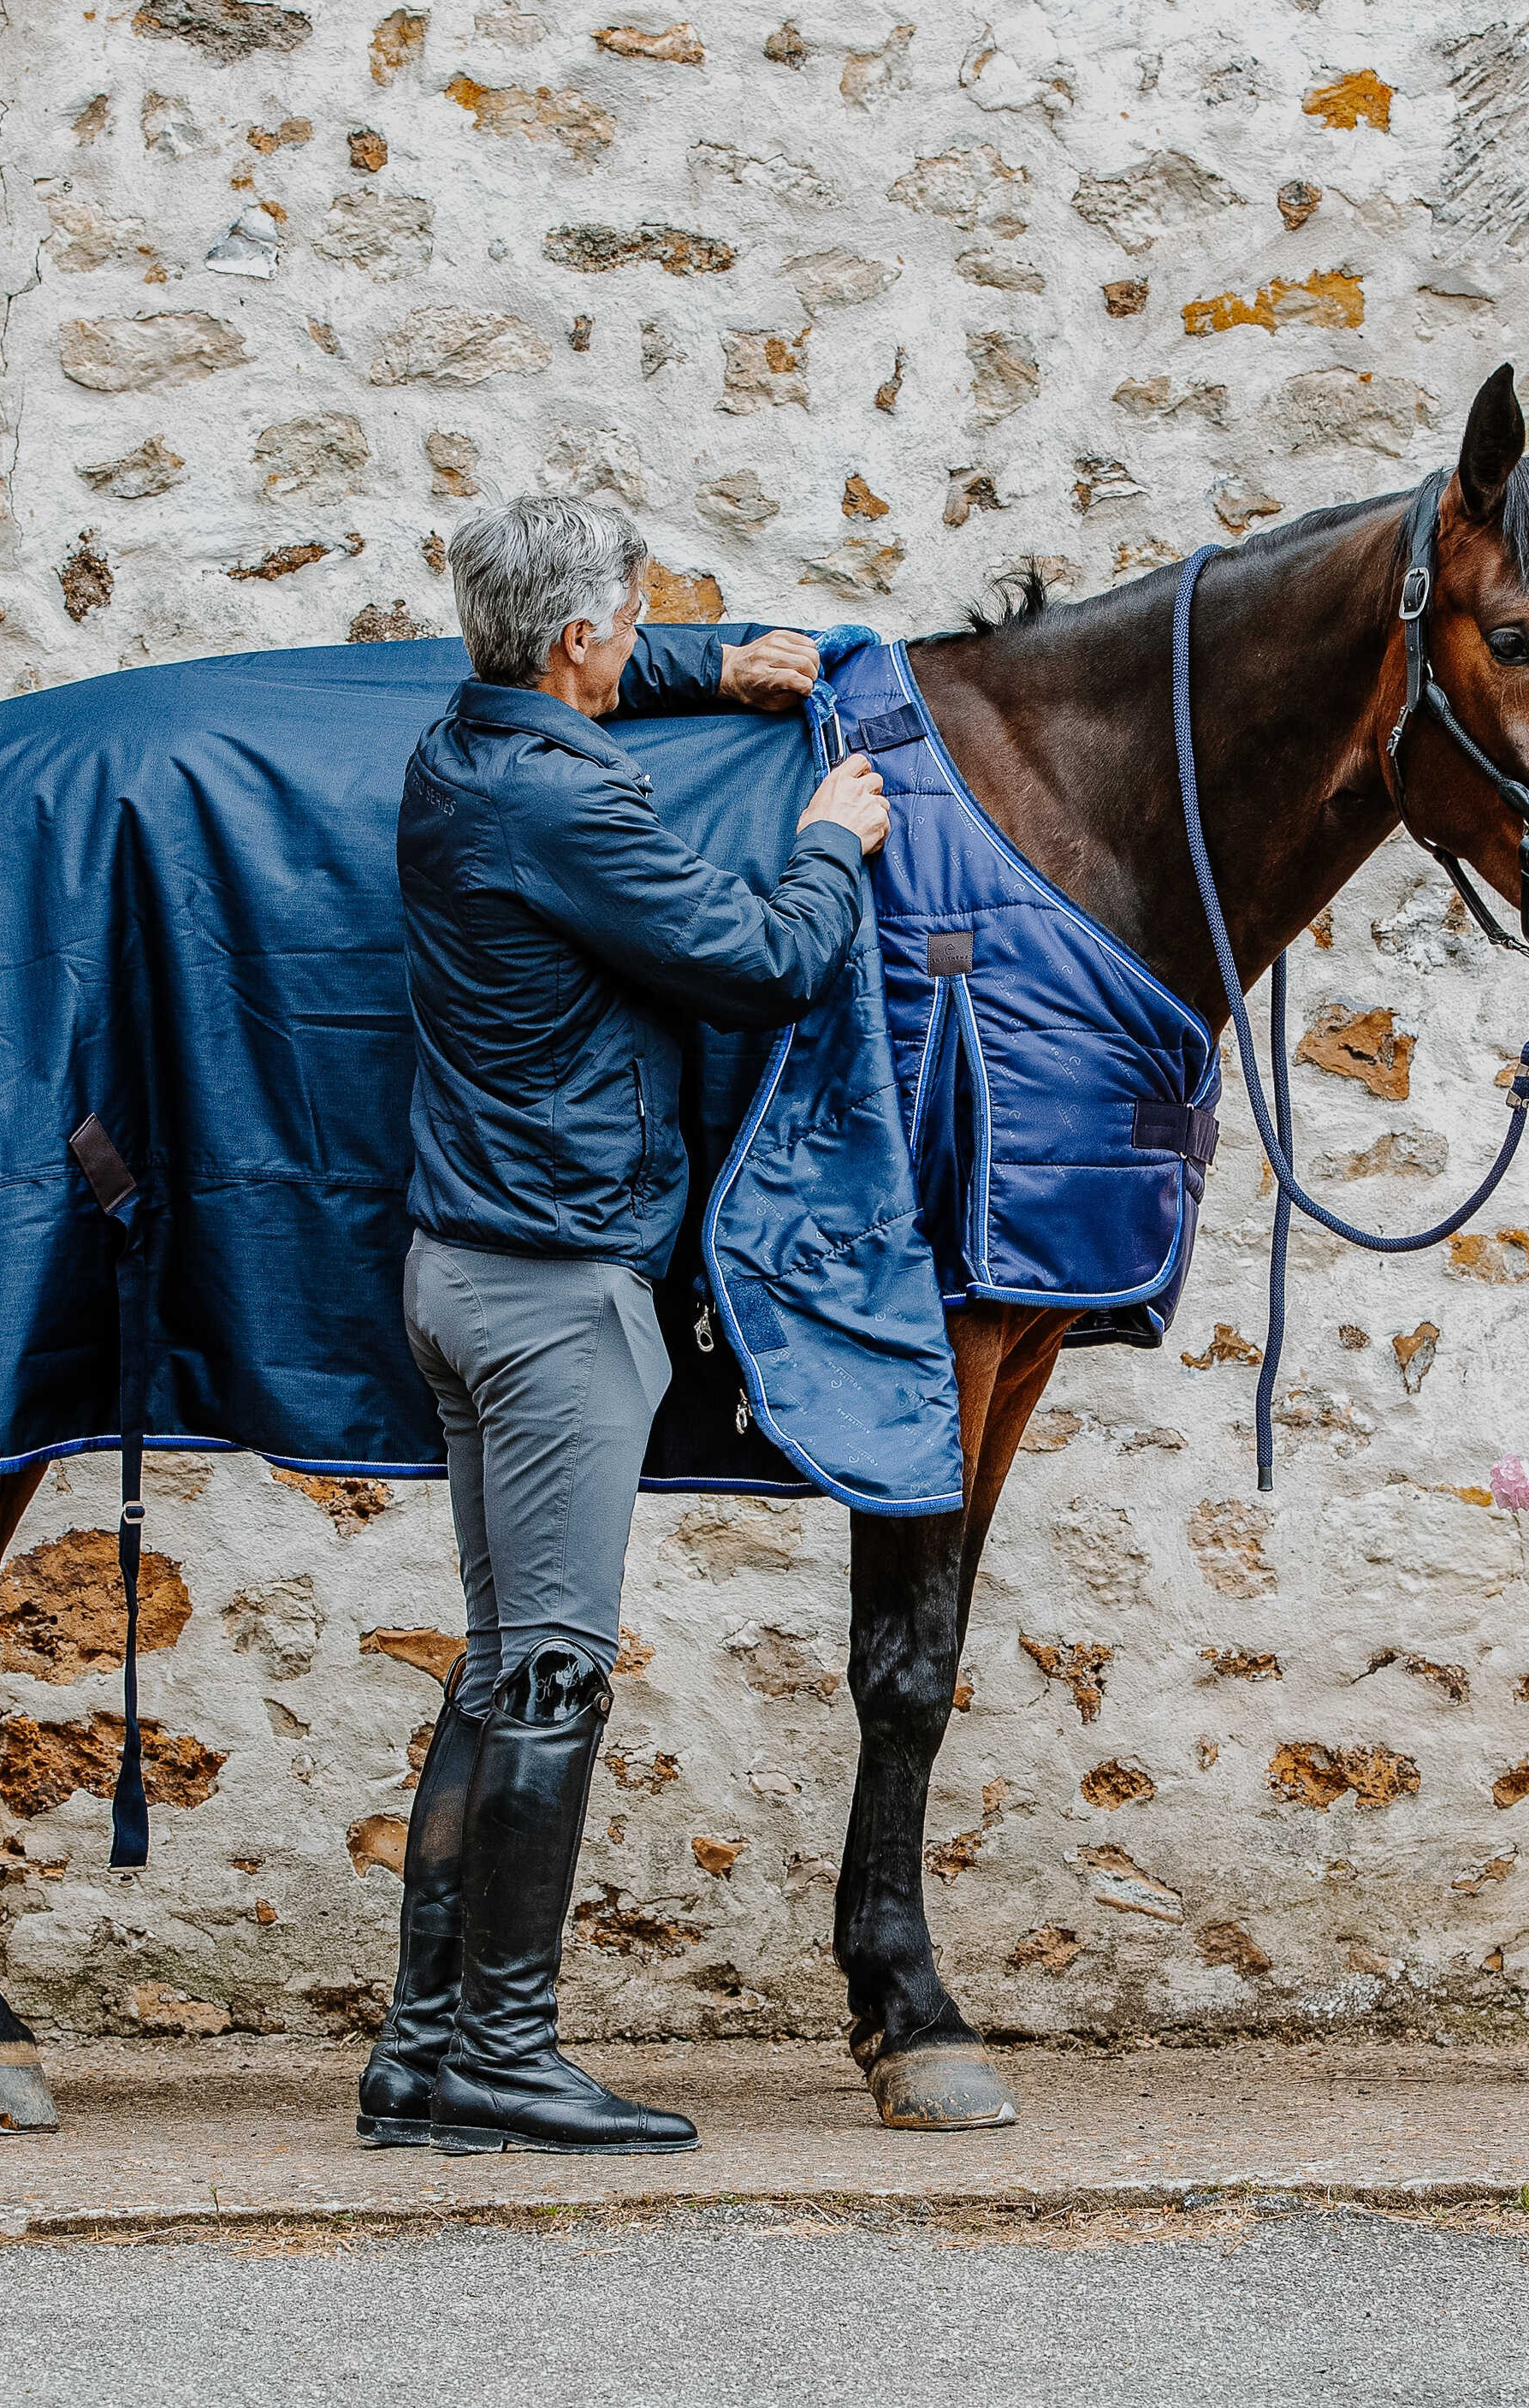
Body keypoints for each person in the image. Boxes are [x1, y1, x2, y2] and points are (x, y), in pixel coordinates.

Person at [360, 495, 890, 2156]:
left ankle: (419, 2060)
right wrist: (833, 837)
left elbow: (581, 656)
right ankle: (500, 2059)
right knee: (553, 1677)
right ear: (577, 640)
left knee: (497, 1668)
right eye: (630, 621)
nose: (633, 636)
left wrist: (708, 662)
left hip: (460, 1277)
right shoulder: (565, 803)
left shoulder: (461, 746)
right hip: (551, 1299)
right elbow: (760, 961)